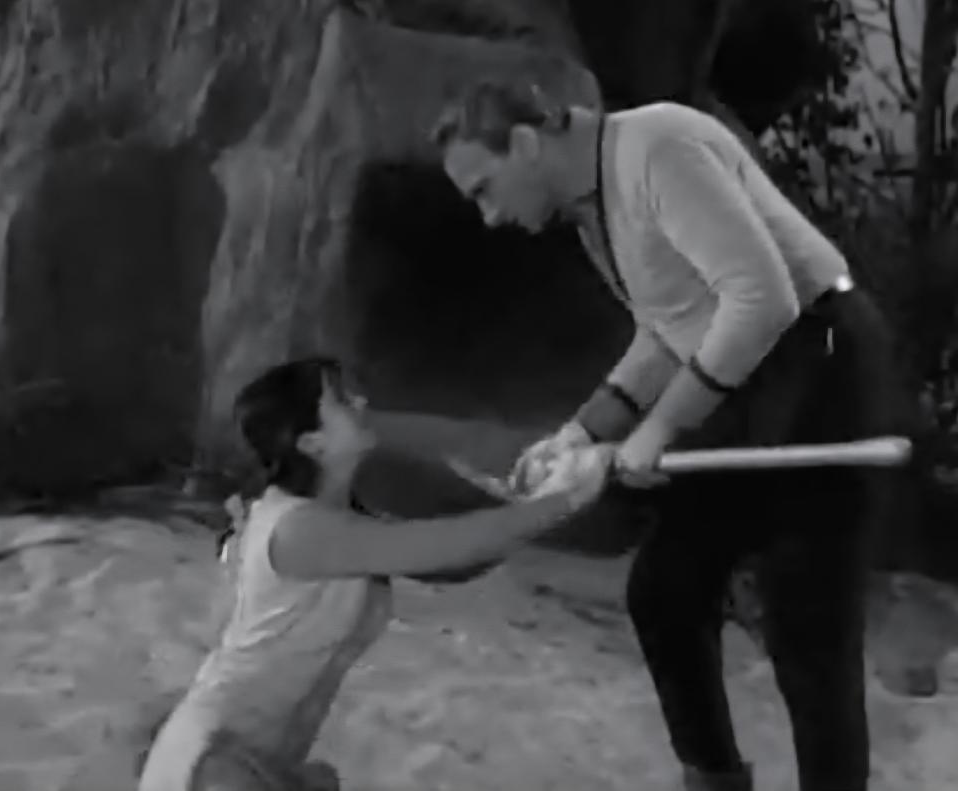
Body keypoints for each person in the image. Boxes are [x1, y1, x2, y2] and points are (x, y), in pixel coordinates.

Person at [430, 81, 911, 791]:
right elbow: (668, 329)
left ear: (526, 144)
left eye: (484, 189)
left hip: (823, 355)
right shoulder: (593, 206)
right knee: (667, 589)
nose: (490, 216)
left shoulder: (657, 148)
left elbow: (763, 298)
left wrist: (662, 425)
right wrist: (582, 432)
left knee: (808, 627)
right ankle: (714, 778)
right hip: (746, 371)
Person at [136, 356, 615, 791]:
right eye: (342, 400)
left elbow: (458, 562)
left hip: (260, 758)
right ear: (312, 443)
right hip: (216, 764)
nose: (362, 402)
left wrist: (534, 503)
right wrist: (568, 497)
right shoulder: (301, 530)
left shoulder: (337, 519)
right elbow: (449, 545)